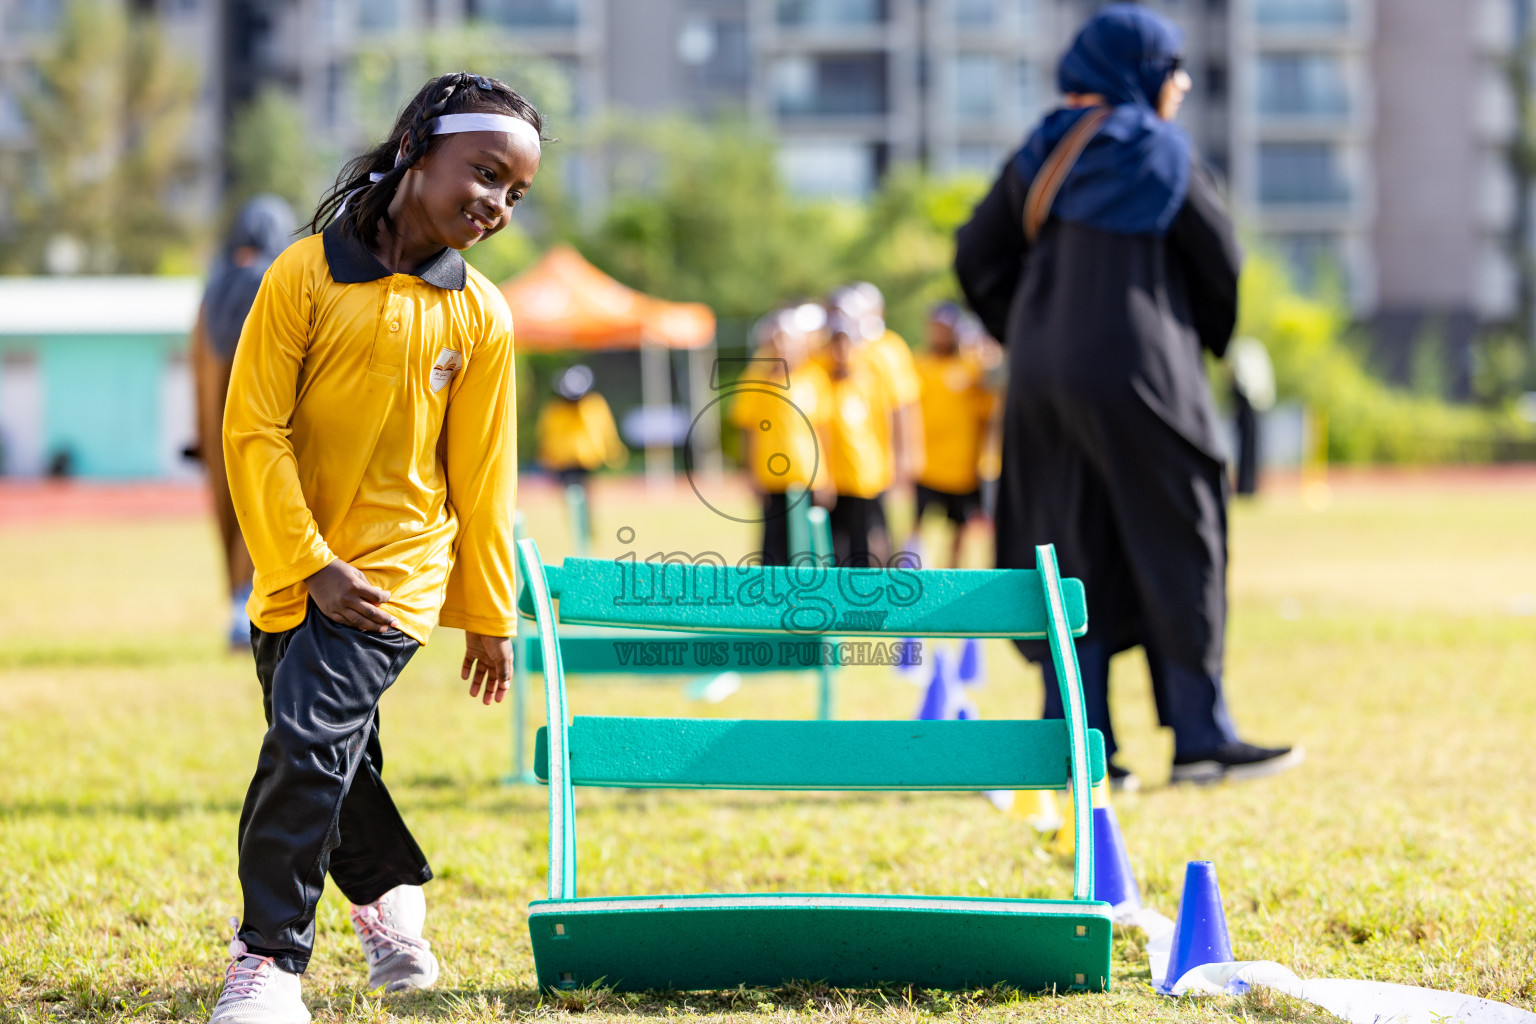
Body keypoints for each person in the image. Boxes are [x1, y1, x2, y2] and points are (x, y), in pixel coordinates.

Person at [212, 72, 542, 1024]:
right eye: (484, 175)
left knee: (307, 740)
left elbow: (484, 477)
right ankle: (392, 892)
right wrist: (306, 560)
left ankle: (269, 963)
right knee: (330, 752)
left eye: (515, 194)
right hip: (297, 566)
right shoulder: (302, 274)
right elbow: (252, 432)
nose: (496, 206)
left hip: (395, 573)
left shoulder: (482, 315)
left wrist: (488, 613)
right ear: (416, 151)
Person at [954, 5, 1298, 788]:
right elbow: (1221, 263)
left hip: (1042, 380)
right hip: (1145, 373)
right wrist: (1197, 337)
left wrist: (1030, 327)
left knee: (1065, 547)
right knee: (1180, 535)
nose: (1178, 84)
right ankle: (1201, 737)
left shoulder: (1043, 149)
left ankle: (1079, 746)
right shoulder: (1160, 150)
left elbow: (975, 252)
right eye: (1170, 68)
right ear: (1142, 72)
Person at [190, 195, 296, 650]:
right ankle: (256, 610)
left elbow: (198, 376)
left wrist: (201, 438)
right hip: (266, 425)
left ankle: (236, 609)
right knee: (265, 511)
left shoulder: (211, 292)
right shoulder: (283, 282)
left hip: (216, 433)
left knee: (227, 513)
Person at [730, 307, 833, 565]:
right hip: (770, 477)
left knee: (808, 544)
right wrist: (751, 473)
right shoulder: (755, 380)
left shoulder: (813, 378)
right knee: (773, 547)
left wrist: (827, 474)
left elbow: (823, 429)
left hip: (807, 475)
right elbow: (749, 430)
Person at [912, 302, 996, 568]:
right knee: (917, 523)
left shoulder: (973, 367)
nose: (939, 334)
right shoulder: (919, 364)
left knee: (960, 528)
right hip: (926, 464)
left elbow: (989, 410)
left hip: (963, 468)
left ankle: (953, 575)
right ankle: (909, 570)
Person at [821, 308, 896, 567]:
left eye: (847, 344)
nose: (841, 351)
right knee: (838, 547)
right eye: (836, 344)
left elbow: (883, 427)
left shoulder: (871, 382)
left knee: (870, 543)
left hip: (867, 477)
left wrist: (890, 463)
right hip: (836, 481)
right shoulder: (821, 382)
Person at [535, 364, 628, 541]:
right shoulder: (554, 410)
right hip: (563, 462)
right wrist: (545, 458)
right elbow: (547, 435)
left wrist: (614, 452)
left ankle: (587, 528)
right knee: (570, 498)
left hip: (587, 461)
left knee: (587, 497)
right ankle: (577, 529)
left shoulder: (593, 405)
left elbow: (605, 430)